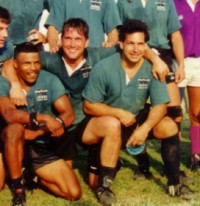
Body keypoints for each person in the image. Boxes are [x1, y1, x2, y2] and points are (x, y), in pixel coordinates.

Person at [3, 18, 169, 205]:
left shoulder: (96, 55)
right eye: (68, 38)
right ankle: (25, 171)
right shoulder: (49, 58)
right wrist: (15, 84)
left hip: (85, 123)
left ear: (87, 42)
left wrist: (156, 60)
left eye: (78, 39)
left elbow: (133, 46)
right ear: (60, 40)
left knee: (91, 182)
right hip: (60, 126)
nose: (73, 44)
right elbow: (12, 62)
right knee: (66, 177)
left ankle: (107, 171)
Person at [82, 19, 193, 198]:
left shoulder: (152, 67)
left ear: (146, 46)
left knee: (169, 125)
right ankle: (105, 186)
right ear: (121, 44)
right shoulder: (104, 67)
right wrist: (118, 113)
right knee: (93, 182)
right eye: (130, 43)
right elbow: (88, 105)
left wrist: (144, 129)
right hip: (109, 124)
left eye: (140, 44)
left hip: (134, 121)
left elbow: (160, 105)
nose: (135, 49)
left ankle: (174, 182)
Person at [0, 42, 82, 205]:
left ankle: (31, 176)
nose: (33, 68)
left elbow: (68, 114)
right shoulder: (4, 82)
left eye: (36, 62)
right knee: (15, 129)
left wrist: (52, 126)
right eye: (26, 63)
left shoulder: (49, 79)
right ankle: (18, 189)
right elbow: (9, 114)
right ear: (15, 65)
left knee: (73, 193)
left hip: (38, 145)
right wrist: (43, 118)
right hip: (8, 142)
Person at [117, 0, 185, 179]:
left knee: (174, 114)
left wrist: (181, 65)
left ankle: (172, 167)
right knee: (137, 112)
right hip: (136, 54)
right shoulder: (124, 2)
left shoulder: (166, 2)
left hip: (163, 56)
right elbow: (118, 33)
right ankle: (143, 166)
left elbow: (175, 35)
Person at [174, 0, 200, 171]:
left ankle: (196, 155)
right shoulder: (174, 3)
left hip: (199, 63)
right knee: (175, 114)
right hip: (178, 63)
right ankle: (172, 158)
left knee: (196, 114)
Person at [45, 0, 122, 52]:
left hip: (95, 54)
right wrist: (53, 46)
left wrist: (110, 45)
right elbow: (53, 27)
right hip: (69, 53)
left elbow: (112, 30)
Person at [0, 6, 13, 192]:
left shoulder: (7, 47)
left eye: (6, 29)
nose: (5, 34)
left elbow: (10, 61)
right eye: (0, 29)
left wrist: (15, 83)